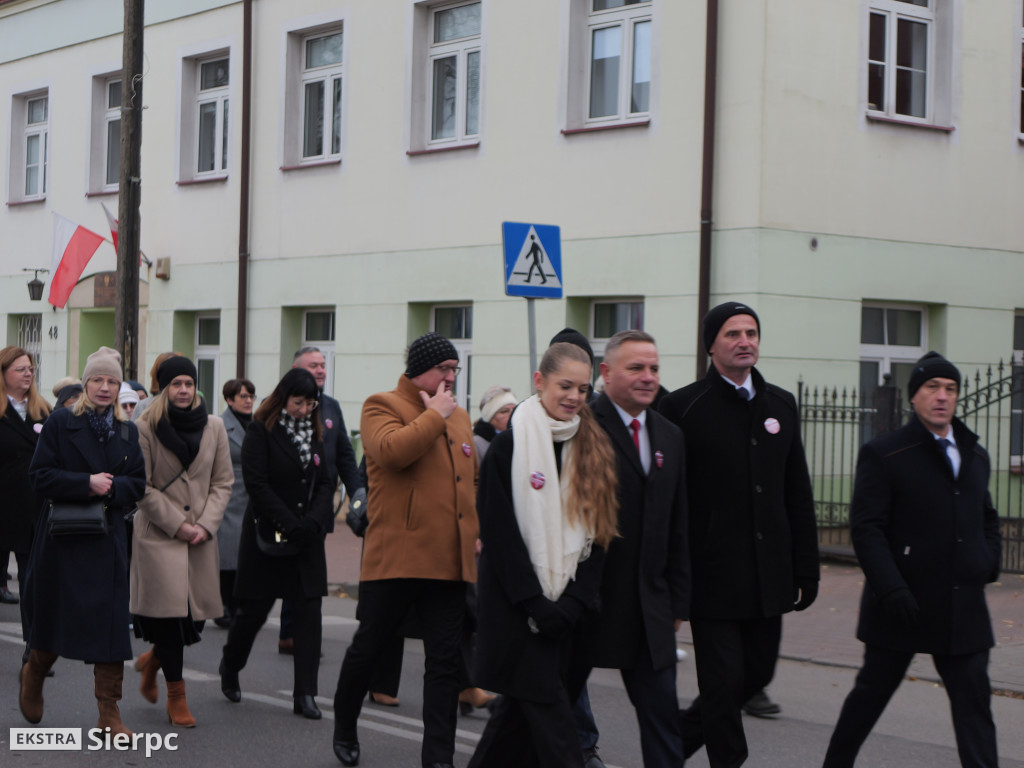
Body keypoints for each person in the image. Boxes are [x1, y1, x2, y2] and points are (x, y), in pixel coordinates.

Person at [659, 302, 819, 767]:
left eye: (751, 333)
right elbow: (671, 503)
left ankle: (669, 746)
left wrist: (806, 569)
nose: (745, 341)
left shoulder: (781, 404)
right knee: (722, 684)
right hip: (712, 579)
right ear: (712, 345)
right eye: (733, 334)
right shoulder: (682, 408)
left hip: (769, 579)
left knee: (754, 677)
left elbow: (797, 492)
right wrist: (674, 579)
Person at [822, 352, 1001, 768]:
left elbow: (987, 516)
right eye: (932, 388)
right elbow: (867, 529)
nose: (942, 397)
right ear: (914, 397)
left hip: (963, 608)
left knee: (975, 709)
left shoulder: (974, 454)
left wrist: (986, 562)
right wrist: (892, 588)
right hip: (903, 604)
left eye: (950, 389)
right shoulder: (885, 453)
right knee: (869, 697)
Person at [467, 341, 618, 768]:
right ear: (540, 381)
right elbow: (501, 536)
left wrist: (571, 604)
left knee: (512, 730)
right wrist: (536, 603)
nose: (574, 397)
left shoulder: (594, 447)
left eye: (583, 389)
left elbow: (600, 535)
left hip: (569, 617)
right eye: (565, 385)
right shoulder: (508, 448)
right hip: (519, 613)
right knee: (559, 742)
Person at [331, 331, 479, 768]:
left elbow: (469, 478)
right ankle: (344, 724)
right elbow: (392, 453)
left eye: (455, 370)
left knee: (445, 662)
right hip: (396, 558)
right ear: (419, 372)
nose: (450, 377)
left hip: (448, 561)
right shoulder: (382, 405)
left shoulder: (459, 415)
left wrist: (474, 527)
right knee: (370, 647)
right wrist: (433, 416)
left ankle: (439, 758)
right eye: (443, 370)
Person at [573, 330, 690, 768]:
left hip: (649, 609)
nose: (648, 377)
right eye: (636, 368)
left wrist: (678, 599)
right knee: (542, 712)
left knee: (663, 722)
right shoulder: (580, 426)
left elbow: (678, 524)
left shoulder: (670, 436)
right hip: (589, 604)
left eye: (654, 368)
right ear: (605, 373)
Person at [22, 346, 146, 734]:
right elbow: (39, 476)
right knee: (55, 622)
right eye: (98, 380)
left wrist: (111, 491)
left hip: (107, 541)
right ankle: (34, 674)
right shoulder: (60, 423)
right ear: (86, 383)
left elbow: (138, 484)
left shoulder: (128, 430)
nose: (105, 388)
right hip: (63, 538)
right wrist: (85, 484)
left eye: (112, 381)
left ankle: (109, 713)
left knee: (110, 631)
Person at [219, 368, 334, 720]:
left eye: (310, 403)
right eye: (298, 402)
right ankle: (230, 665)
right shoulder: (261, 430)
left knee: (308, 614)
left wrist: (313, 521)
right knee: (252, 612)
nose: (303, 409)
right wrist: (289, 521)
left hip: (306, 539)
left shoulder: (315, 430)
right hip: (267, 537)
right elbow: (257, 483)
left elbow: (327, 480)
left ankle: (305, 694)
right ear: (283, 398)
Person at [130, 356, 233, 727]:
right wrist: (178, 525)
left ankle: (153, 660)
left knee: (196, 623)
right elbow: (140, 486)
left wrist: (205, 524)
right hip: (159, 537)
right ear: (164, 388)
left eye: (189, 383)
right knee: (172, 622)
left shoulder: (215, 426)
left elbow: (223, 482)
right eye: (176, 384)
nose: (184, 390)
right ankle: (176, 695)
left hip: (201, 538)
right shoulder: (144, 427)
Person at [279, 347, 364, 655]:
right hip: (285, 509)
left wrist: (357, 492)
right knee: (284, 572)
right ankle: (267, 626)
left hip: (318, 506)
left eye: (323, 365)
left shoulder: (331, 407)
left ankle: (296, 635)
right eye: (313, 365)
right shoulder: (275, 406)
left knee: (308, 574)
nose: (320, 370)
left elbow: (343, 454)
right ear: (296, 369)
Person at [0, 348, 52, 617]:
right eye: (21, 369)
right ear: (3, 373)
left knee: (32, 578)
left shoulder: (43, 409)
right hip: (3, 504)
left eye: (30, 369)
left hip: (34, 506)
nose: (28, 373)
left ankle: (31, 644)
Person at [215, 377, 256, 628]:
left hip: (251, 494)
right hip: (229, 493)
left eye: (251, 396)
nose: (249, 400)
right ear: (230, 400)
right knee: (228, 554)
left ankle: (239, 604)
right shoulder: (219, 425)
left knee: (245, 554)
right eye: (243, 396)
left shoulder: (258, 424)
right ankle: (223, 606)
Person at [473, 385, 517, 459]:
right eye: (504, 411)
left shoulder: (520, 439)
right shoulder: (476, 444)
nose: (512, 414)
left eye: (515, 409)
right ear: (490, 417)